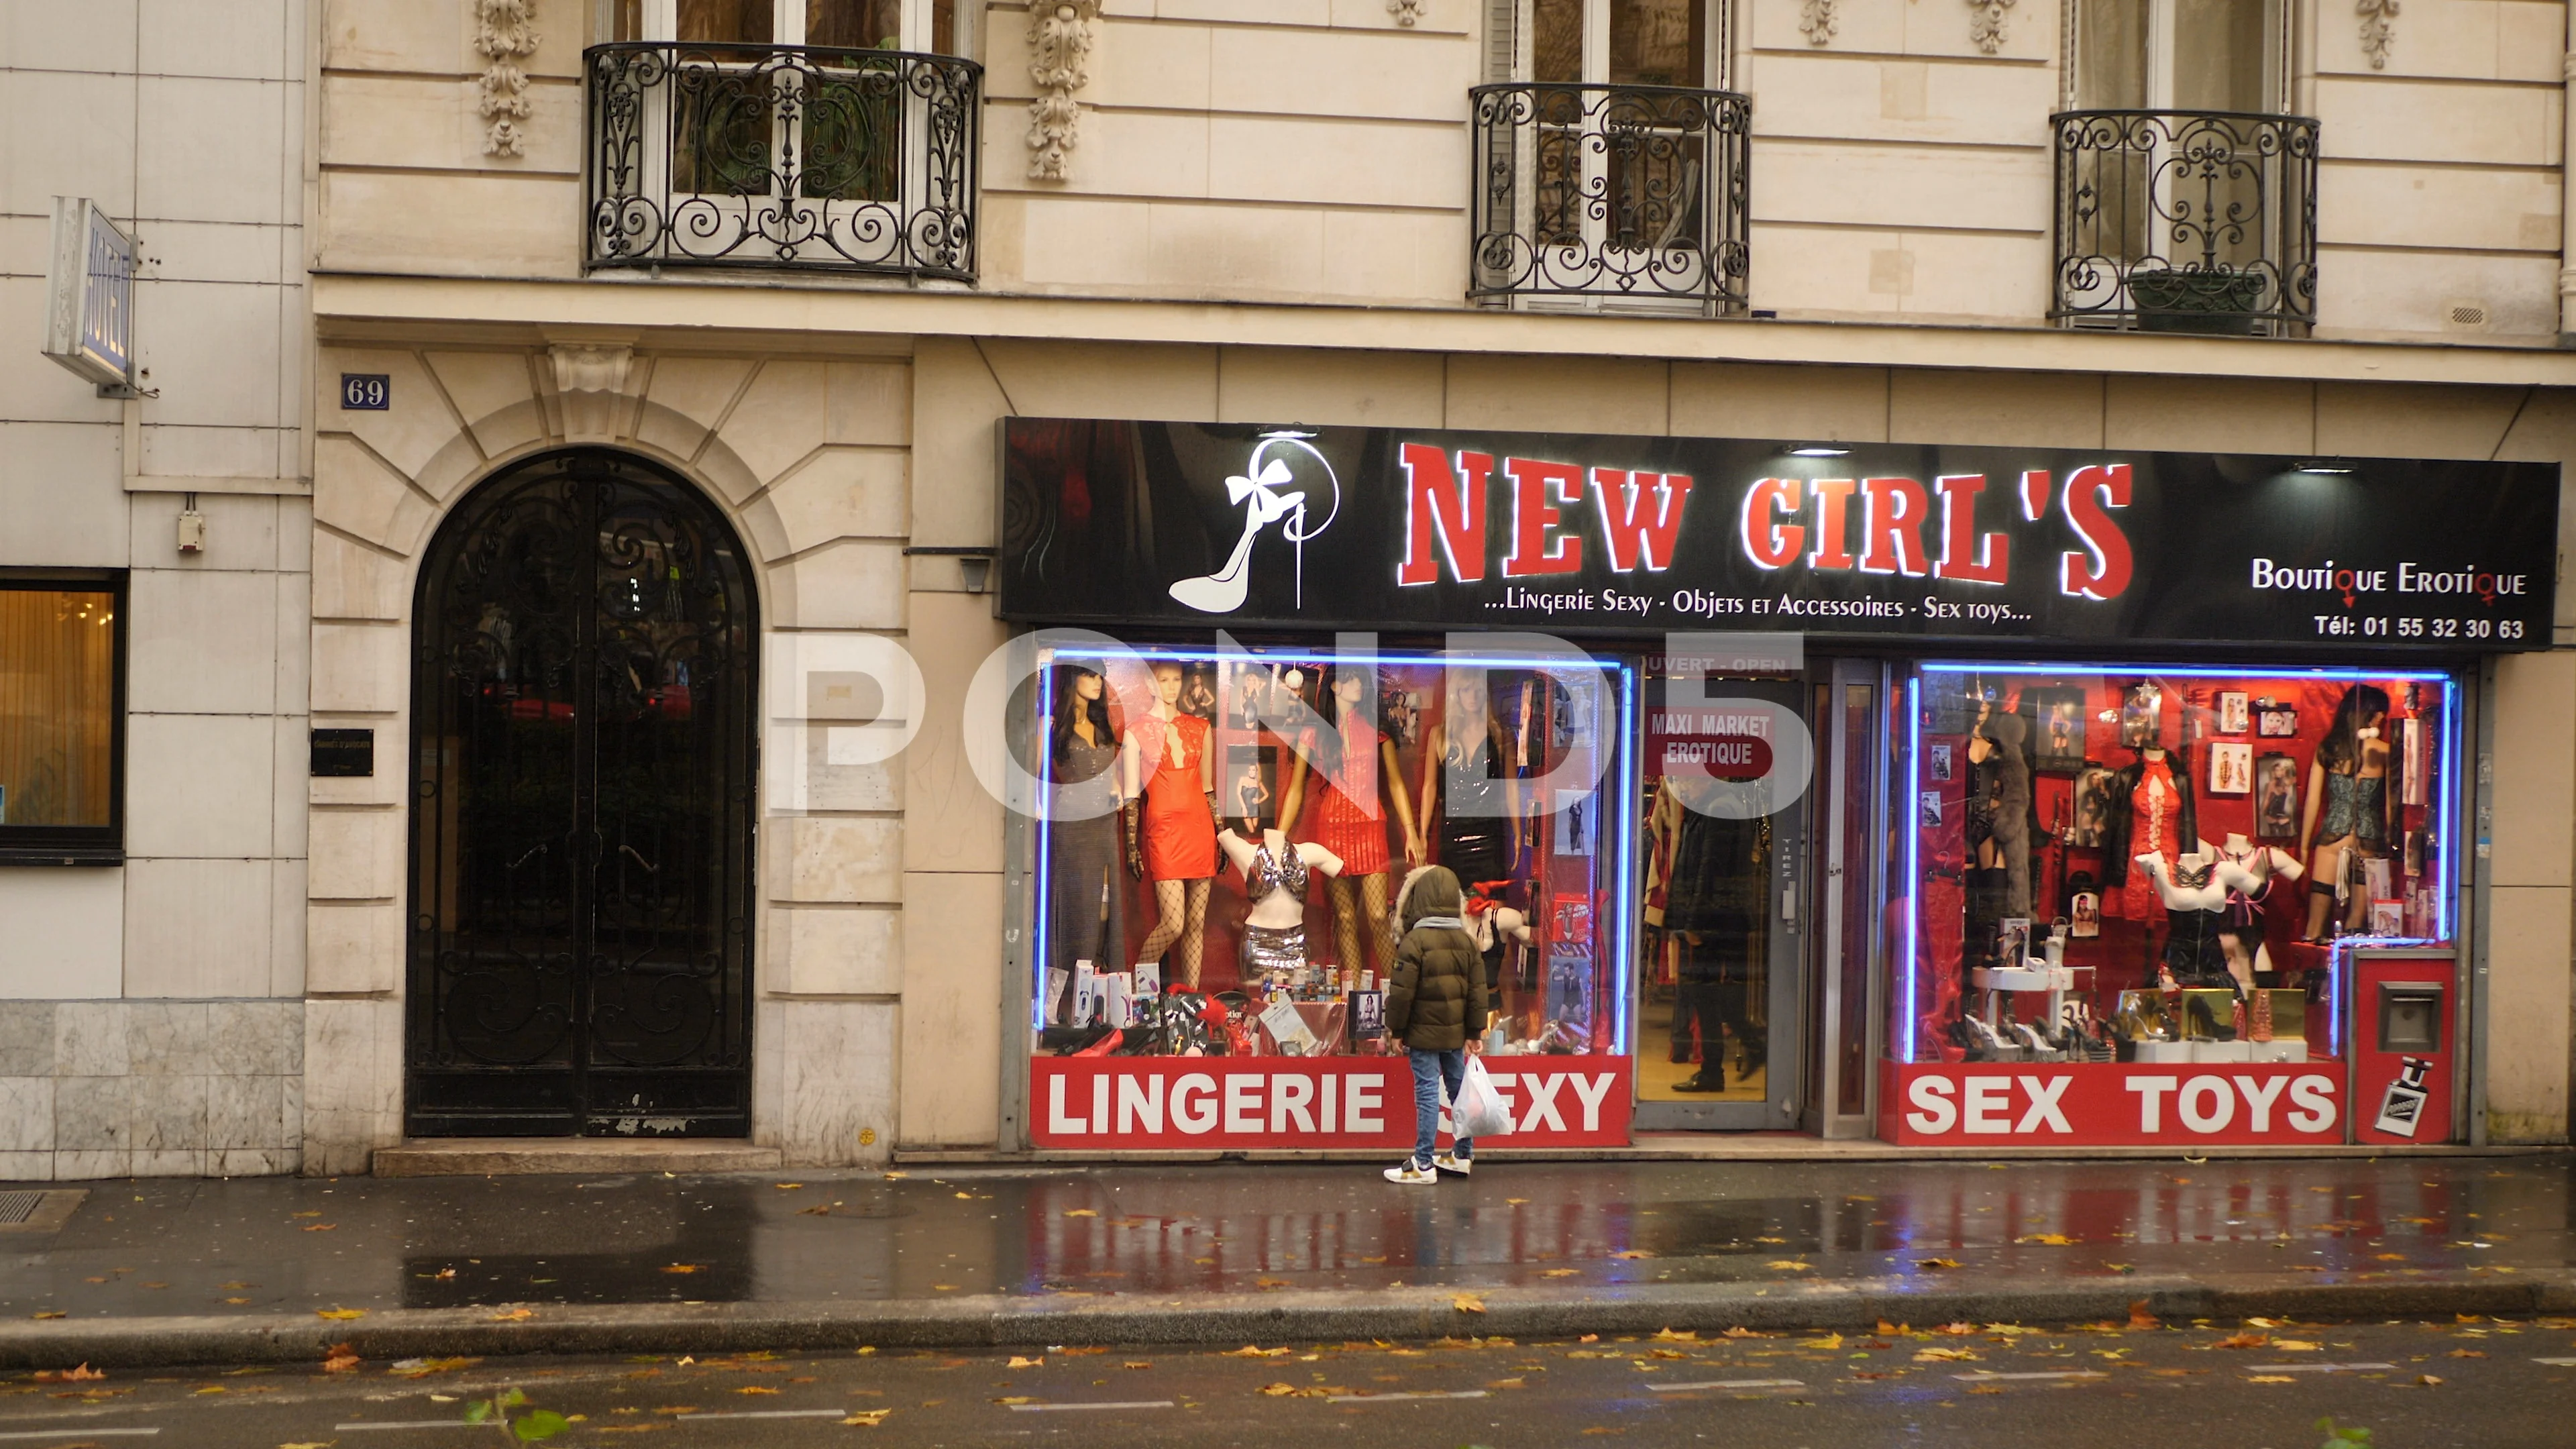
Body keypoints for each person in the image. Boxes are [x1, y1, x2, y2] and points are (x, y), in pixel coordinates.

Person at [1381, 866, 1489, 1185]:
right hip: (1455, 1036)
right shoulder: (1467, 943)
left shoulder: (1414, 943)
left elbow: (1401, 996)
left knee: (1427, 1093)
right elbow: (1477, 993)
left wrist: (1396, 1032)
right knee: (1459, 1091)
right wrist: (1474, 1033)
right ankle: (1462, 1154)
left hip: (1422, 1035)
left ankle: (1423, 1163)